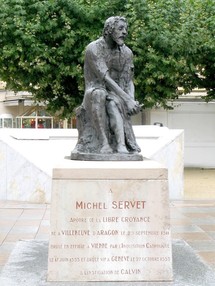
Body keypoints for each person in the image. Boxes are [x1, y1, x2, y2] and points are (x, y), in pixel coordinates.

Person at [73, 16, 142, 156]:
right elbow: (105, 78)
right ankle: (103, 143)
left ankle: (121, 144)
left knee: (112, 103)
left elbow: (128, 81)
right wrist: (127, 100)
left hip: (116, 94)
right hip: (95, 90)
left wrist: (132, 101)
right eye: (120, 29)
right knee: (100, 94)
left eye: (126, 29)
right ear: (109, 30)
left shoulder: (127, 52)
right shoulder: (93, 48)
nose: (125, 32)